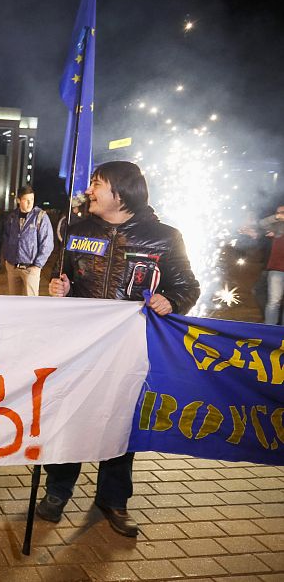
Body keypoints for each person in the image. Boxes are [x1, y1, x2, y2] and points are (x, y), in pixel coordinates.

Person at [39, 161, 199, 537]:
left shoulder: (165, 237)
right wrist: (58, 286)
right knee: (70, 417)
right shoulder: (76, 230)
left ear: (121, 191)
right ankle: (57, 492)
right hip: (79, 346)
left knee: (121, 423)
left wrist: (171, 301)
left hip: (131, 350)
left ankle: (113, 500)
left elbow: (187, 286)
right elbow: (59, 274)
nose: (89, 190)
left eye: (97, 184)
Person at [2, 186, 54, 296]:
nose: (30, 203)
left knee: (31, 303)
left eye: (32, 199)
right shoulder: (12, 217)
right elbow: (6, 237)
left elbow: (47, 243)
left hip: (31, 268)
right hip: (13, 267)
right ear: (18, 200)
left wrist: (38, 265)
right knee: (13, 302)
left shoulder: (40, 217)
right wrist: (7, 258)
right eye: (26, 200)